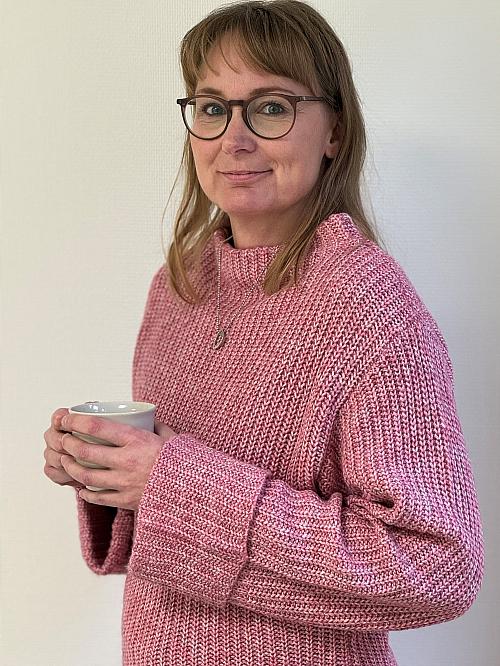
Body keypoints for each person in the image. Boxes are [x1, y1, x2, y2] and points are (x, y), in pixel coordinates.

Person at [43, 1, 484, 664]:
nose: (234, 139)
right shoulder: (178, 286)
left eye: (271, 108)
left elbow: (434, 570)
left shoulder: (370, 307)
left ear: (334, 131)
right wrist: (107, 475)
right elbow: (173, 534)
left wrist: (170, 484)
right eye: (212, 108)